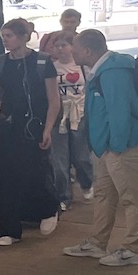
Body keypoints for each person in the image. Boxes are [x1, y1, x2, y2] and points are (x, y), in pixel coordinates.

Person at [63, 29, 138, 267]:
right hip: (107, 148)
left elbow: (119, 112)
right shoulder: (100, 70)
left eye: (76, 48)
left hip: (122, 147)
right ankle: (97, 243)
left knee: (131, 198)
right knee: (105, 195)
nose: (72, 51)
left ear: (88, 51)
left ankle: (132, 249)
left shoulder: (113, 73)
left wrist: (117, 146)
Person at [0, 18, 60, 246]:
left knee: (33, 172)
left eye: (9, 36)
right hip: (8, 126)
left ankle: (47, 209)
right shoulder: (1, 63)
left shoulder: (41, 63)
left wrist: (48, 129)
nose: (5, 41)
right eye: (3, 37)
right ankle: (7, 229)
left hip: (33, 126)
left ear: (23, 37)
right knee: (0, 174)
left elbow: (53, 100)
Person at [46, 31, 93, 207]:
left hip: (79, 115)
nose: (60, 49)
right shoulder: (51, 67)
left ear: (73, 47)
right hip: (59, 115)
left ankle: (87, 182)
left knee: (81, 156)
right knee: (59, 159)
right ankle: (63, 196)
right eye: (57, 46)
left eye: (64, 45)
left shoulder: (83, 67)